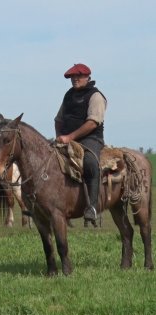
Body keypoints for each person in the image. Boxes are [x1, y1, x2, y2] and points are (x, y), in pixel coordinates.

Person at [54, 63, 107, 225]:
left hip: (91, 139)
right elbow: (58, 119)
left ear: (88, 78)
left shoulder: (95, 96)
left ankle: (91, 207)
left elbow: (92, 122)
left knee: (90, 163)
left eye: (79, 76)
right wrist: (59, 137)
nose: (75, 79)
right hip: (67, 138)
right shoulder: (68, 96)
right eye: (72, 77)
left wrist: (70, 137)